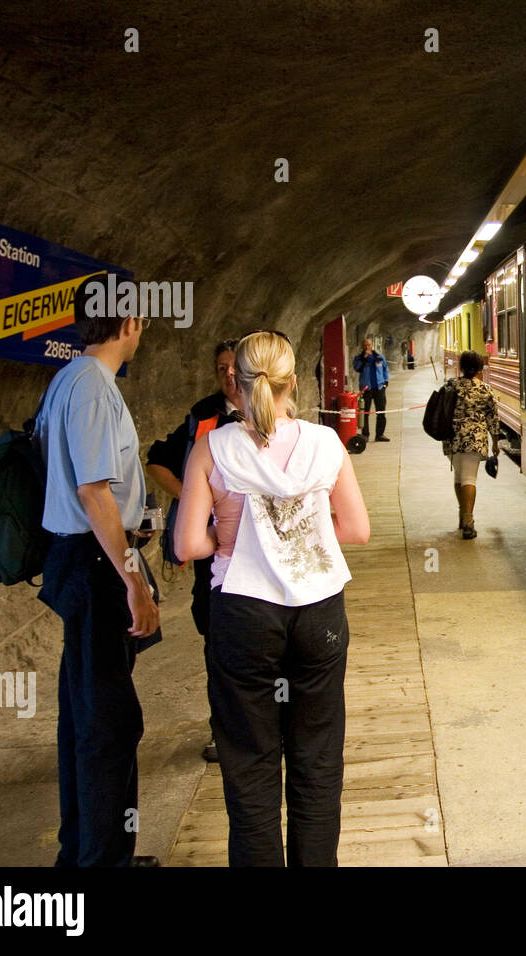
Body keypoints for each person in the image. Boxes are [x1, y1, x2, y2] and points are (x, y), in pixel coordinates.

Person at [176, 331, 371, 866]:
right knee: (317, 755)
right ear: (293, 383)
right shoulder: (326, 443)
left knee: (250, 760)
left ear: (233, 382)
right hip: (318, 615)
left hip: (243, 615)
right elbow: (356, 530)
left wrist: (230, 540)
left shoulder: (210, 447)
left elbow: (188, 543)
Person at [34, 280, 162, 867]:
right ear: (128, 321)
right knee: (108, 724)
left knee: (87, 716)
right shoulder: (89, 387)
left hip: (85, 561)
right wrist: (133, 578)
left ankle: (85, 851)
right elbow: (92, 490)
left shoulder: (70, 380)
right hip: (95, 566)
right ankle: (100, 861)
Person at [145, 338, 244, 762]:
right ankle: (224, 731)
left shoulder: (273, 412)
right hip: (213, 553)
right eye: (220, 367)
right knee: (216, 639)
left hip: (260, 551)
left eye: (233, 366)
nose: (227, 374)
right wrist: (193, 498)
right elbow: (156, 460)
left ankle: (266, 727)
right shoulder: (203, 415)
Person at [443, 350, 499, 539]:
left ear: (461, 366)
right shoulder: (484, 389)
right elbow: (493, 419)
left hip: (453, 439)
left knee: (459, 478)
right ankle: (468, 521)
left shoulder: (451, 387)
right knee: (469, 479)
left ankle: (462, 515)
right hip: (474, 440)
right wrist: (495, 443)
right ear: (479, 369)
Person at [351, 337, 390, 441]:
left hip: (379, 387)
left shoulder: (379, 357)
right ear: (362, 347)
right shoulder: (359, 358)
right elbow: (356, 368)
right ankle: (365, 434)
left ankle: (380, 434)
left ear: (372, 345)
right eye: (365, 345)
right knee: (365, 412)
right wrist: (364, 359)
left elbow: (385, 368)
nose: (367, 347)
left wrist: (386, 381)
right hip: (366, 389)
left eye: (368, 345)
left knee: (381, 412)